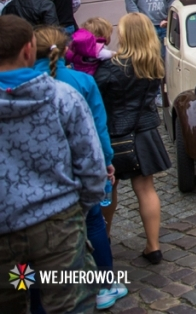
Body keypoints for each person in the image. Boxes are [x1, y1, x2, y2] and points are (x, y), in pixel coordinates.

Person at [0, 16, 106, 314]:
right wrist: (78, 210)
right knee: (68, 305)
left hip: (5, 234)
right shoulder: (63, 97)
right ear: (28, 50)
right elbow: (92, 165)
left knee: (13, 299)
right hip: (58, 226)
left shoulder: (63, 96)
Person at [32, 26, 127, 310]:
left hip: (32, 177)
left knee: (33, 241)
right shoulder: (80, 82)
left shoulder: (19, 83)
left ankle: (33, 295)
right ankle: (106, 284)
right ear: (66, 50)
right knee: (93, 222)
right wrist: (107, 161)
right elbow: (98, 129)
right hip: (76, 170)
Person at [95, 13, 172, 263]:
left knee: (110, 188)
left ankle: (103, 239)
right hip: (145, 131)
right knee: (146, 189)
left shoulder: (110, 68)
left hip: (115, 133)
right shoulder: (155, 63)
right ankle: (153, 245)